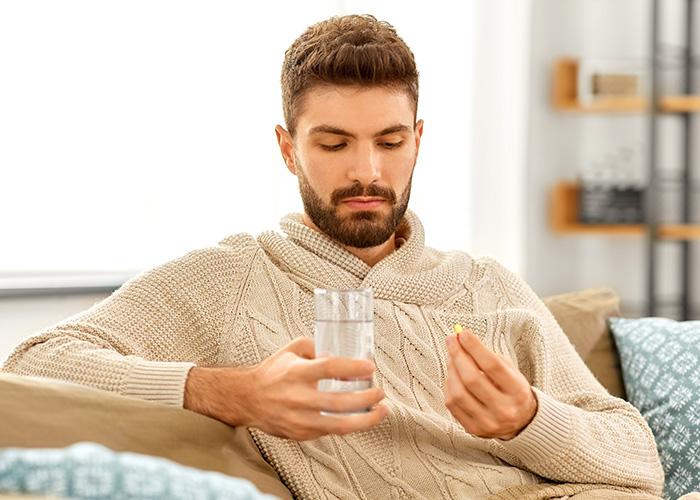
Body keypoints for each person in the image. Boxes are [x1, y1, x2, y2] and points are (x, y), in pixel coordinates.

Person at [1, 14, 688, 500]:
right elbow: (33, 362)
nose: (367, 172)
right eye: (333, 145)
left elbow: (639, 463)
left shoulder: (487, 286)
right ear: (286, 147)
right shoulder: (237, 278)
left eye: (390, 142)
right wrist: (232, 393)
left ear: (418, 139)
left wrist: (529, 420)